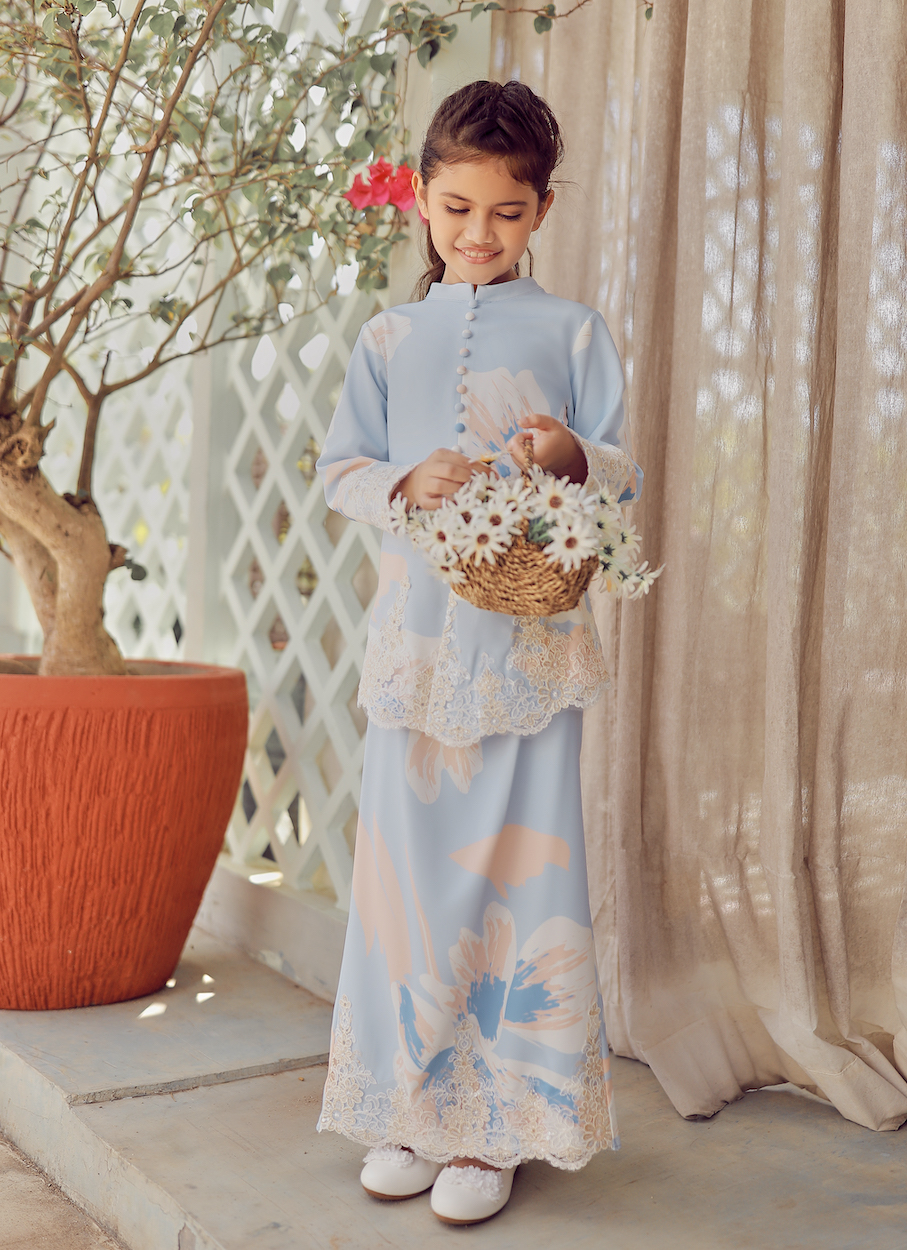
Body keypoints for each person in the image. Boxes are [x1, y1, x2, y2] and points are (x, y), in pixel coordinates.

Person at [315, 79, 643, 1226]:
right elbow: (340, 469)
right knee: (404, 885)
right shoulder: (387, 337)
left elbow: (621, 468)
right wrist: (405, 478)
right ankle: (410, 1108)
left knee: (520, 880)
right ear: (420, 198)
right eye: (457, 207)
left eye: (506, 211)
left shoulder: (574, 330)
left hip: (529, 652)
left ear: (541, 210)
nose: (477, 232)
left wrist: (568, 452)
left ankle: (495, 1128)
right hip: (416, 653)